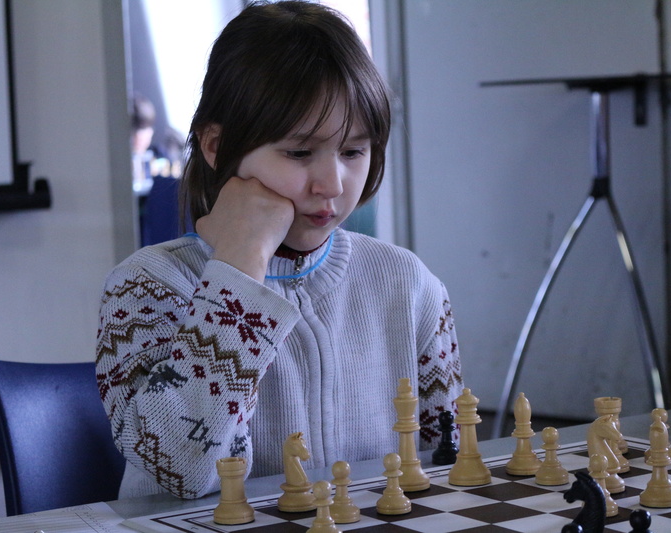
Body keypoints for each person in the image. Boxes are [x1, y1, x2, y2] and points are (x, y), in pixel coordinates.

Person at [96, 0, 463, 500]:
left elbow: (448, 462)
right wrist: (240, 266)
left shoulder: (408, 283)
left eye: (353, 151)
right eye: (299, 152)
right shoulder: (145, 287)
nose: (332, 184)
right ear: (215, 145)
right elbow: (181, 472)